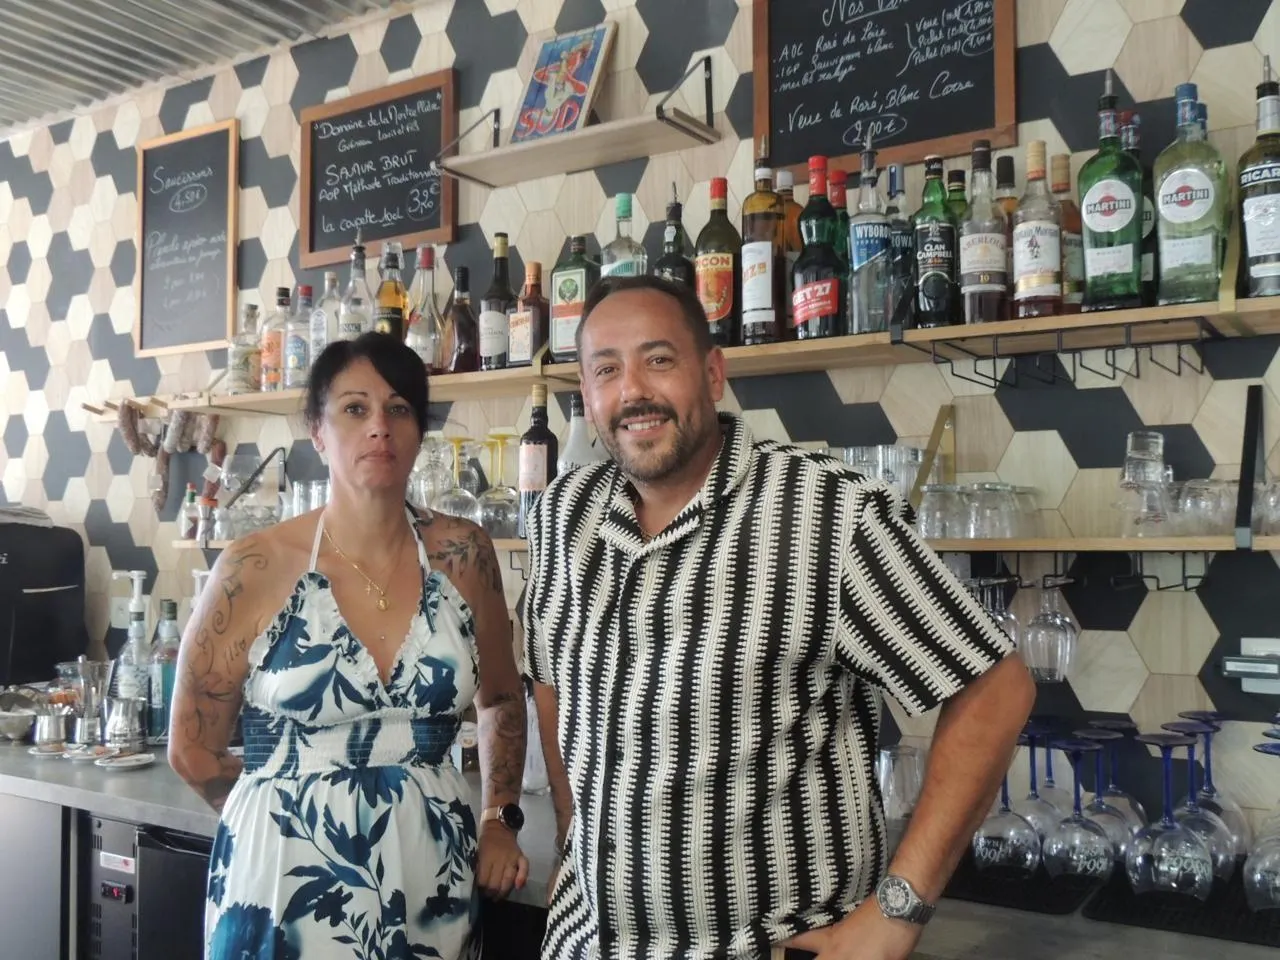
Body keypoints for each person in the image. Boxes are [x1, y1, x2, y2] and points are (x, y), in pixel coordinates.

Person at [522, 276, 1036, 960]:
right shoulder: (563, 515)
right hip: (585, 944)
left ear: (712, 374)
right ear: (586, 396)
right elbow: (551, 678)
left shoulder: (827, 514)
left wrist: (898, 912)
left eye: (659, 359)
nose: (633, 391)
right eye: (606, 370)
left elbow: (995, 689)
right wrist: (571, 833)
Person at [169, 333, 529, 960]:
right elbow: (191, 749)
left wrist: (500, 819)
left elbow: (500, 700)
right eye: (355, 408)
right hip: (283, 882)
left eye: (399, 409)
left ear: (419, 430)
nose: (379, 427)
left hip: (432, 876)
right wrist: (283, 810)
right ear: (317, 430)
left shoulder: (465, 554)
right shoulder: (252, 567)